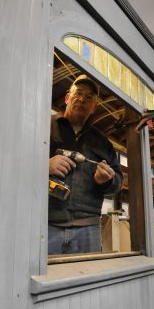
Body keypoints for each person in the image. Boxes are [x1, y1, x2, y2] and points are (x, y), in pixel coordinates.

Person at [48, 74, 123, 255]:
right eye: (78, 93)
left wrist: (107, 181)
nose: (82, 99)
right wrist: (44, 166)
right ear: (67, 98)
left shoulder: (103, 143)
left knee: (85, 280)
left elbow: (118, 181)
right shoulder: (45, 126)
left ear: (94, 107)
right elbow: (19, 160)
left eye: (89, 97)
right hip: (46, 224)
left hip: (88, 229)